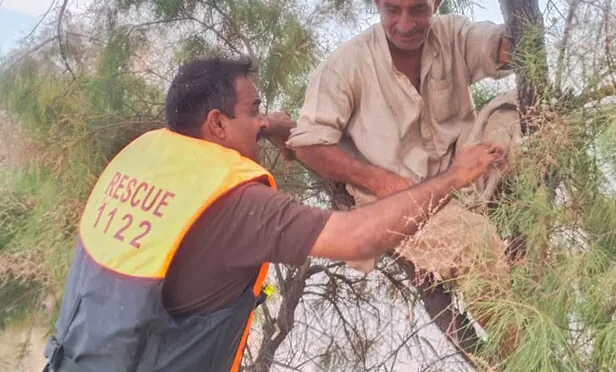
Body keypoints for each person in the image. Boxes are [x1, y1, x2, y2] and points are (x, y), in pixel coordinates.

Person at [42, 56, 504, 372]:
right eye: (255, 110)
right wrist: (454, 178)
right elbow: (357, 239)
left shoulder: (144, 155)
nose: (262, 120)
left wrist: (275, 132)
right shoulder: (236, 204)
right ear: (218, 123)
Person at [286, 0, 529, 353]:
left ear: (437, 1)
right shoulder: (345, 66)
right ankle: (524, 352)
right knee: (477, 246)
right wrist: (380, 184)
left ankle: (511, 223)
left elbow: (514, 50)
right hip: (402, 200)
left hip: (465, 174)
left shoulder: (452, 33)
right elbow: (309, 144)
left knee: (517, 110)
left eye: (418, 10)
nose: (405, 24)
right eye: (392, 9)